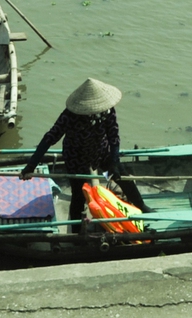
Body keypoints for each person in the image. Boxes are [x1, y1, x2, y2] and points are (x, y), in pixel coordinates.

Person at [19, 78, 149, 231]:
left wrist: (114, 162)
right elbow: (50, 138)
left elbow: (114, 138)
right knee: (79, 194)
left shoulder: (107, 111)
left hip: (101, 155)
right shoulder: (70, 116)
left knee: (121, 177)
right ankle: (76, 231)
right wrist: (31, 165)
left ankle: (142, 207)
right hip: (76, 159)